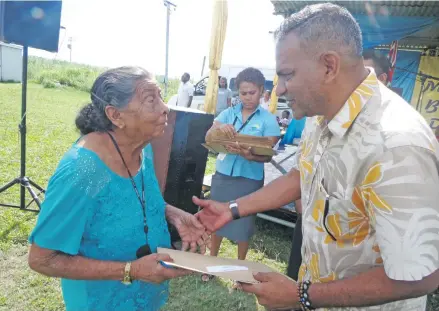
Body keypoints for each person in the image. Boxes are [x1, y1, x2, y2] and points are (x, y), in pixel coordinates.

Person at [193, 3, 439, 311]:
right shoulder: (319, 113)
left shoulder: (397, 144)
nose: (279, 89)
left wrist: (302, 295)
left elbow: (420, 276)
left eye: (287, 75)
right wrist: (232, 209)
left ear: (329, 66)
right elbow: (301, 176)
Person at [28, 67, 211, 311]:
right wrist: (130, 270)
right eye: (150, 99)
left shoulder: (142, 148)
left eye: (160, 96)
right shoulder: (83, 171)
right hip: (101, 302)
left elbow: (131, 197)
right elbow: (42, 259)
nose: (165, 108)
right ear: (115, 115)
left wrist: (172, 214)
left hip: (146, 297)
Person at [201, 67, 280, 288]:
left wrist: (251, 154)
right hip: (224, 175)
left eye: (252, 92)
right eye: (243, 93)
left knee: (243, 226)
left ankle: (239, 272)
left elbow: (268, 151)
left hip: (249, 179)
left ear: (262, 91)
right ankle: (211, 264)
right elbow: (209, 135)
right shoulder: (228, 113)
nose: (247, 97)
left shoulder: (268, 119)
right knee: (216, 221)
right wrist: (218, 129)